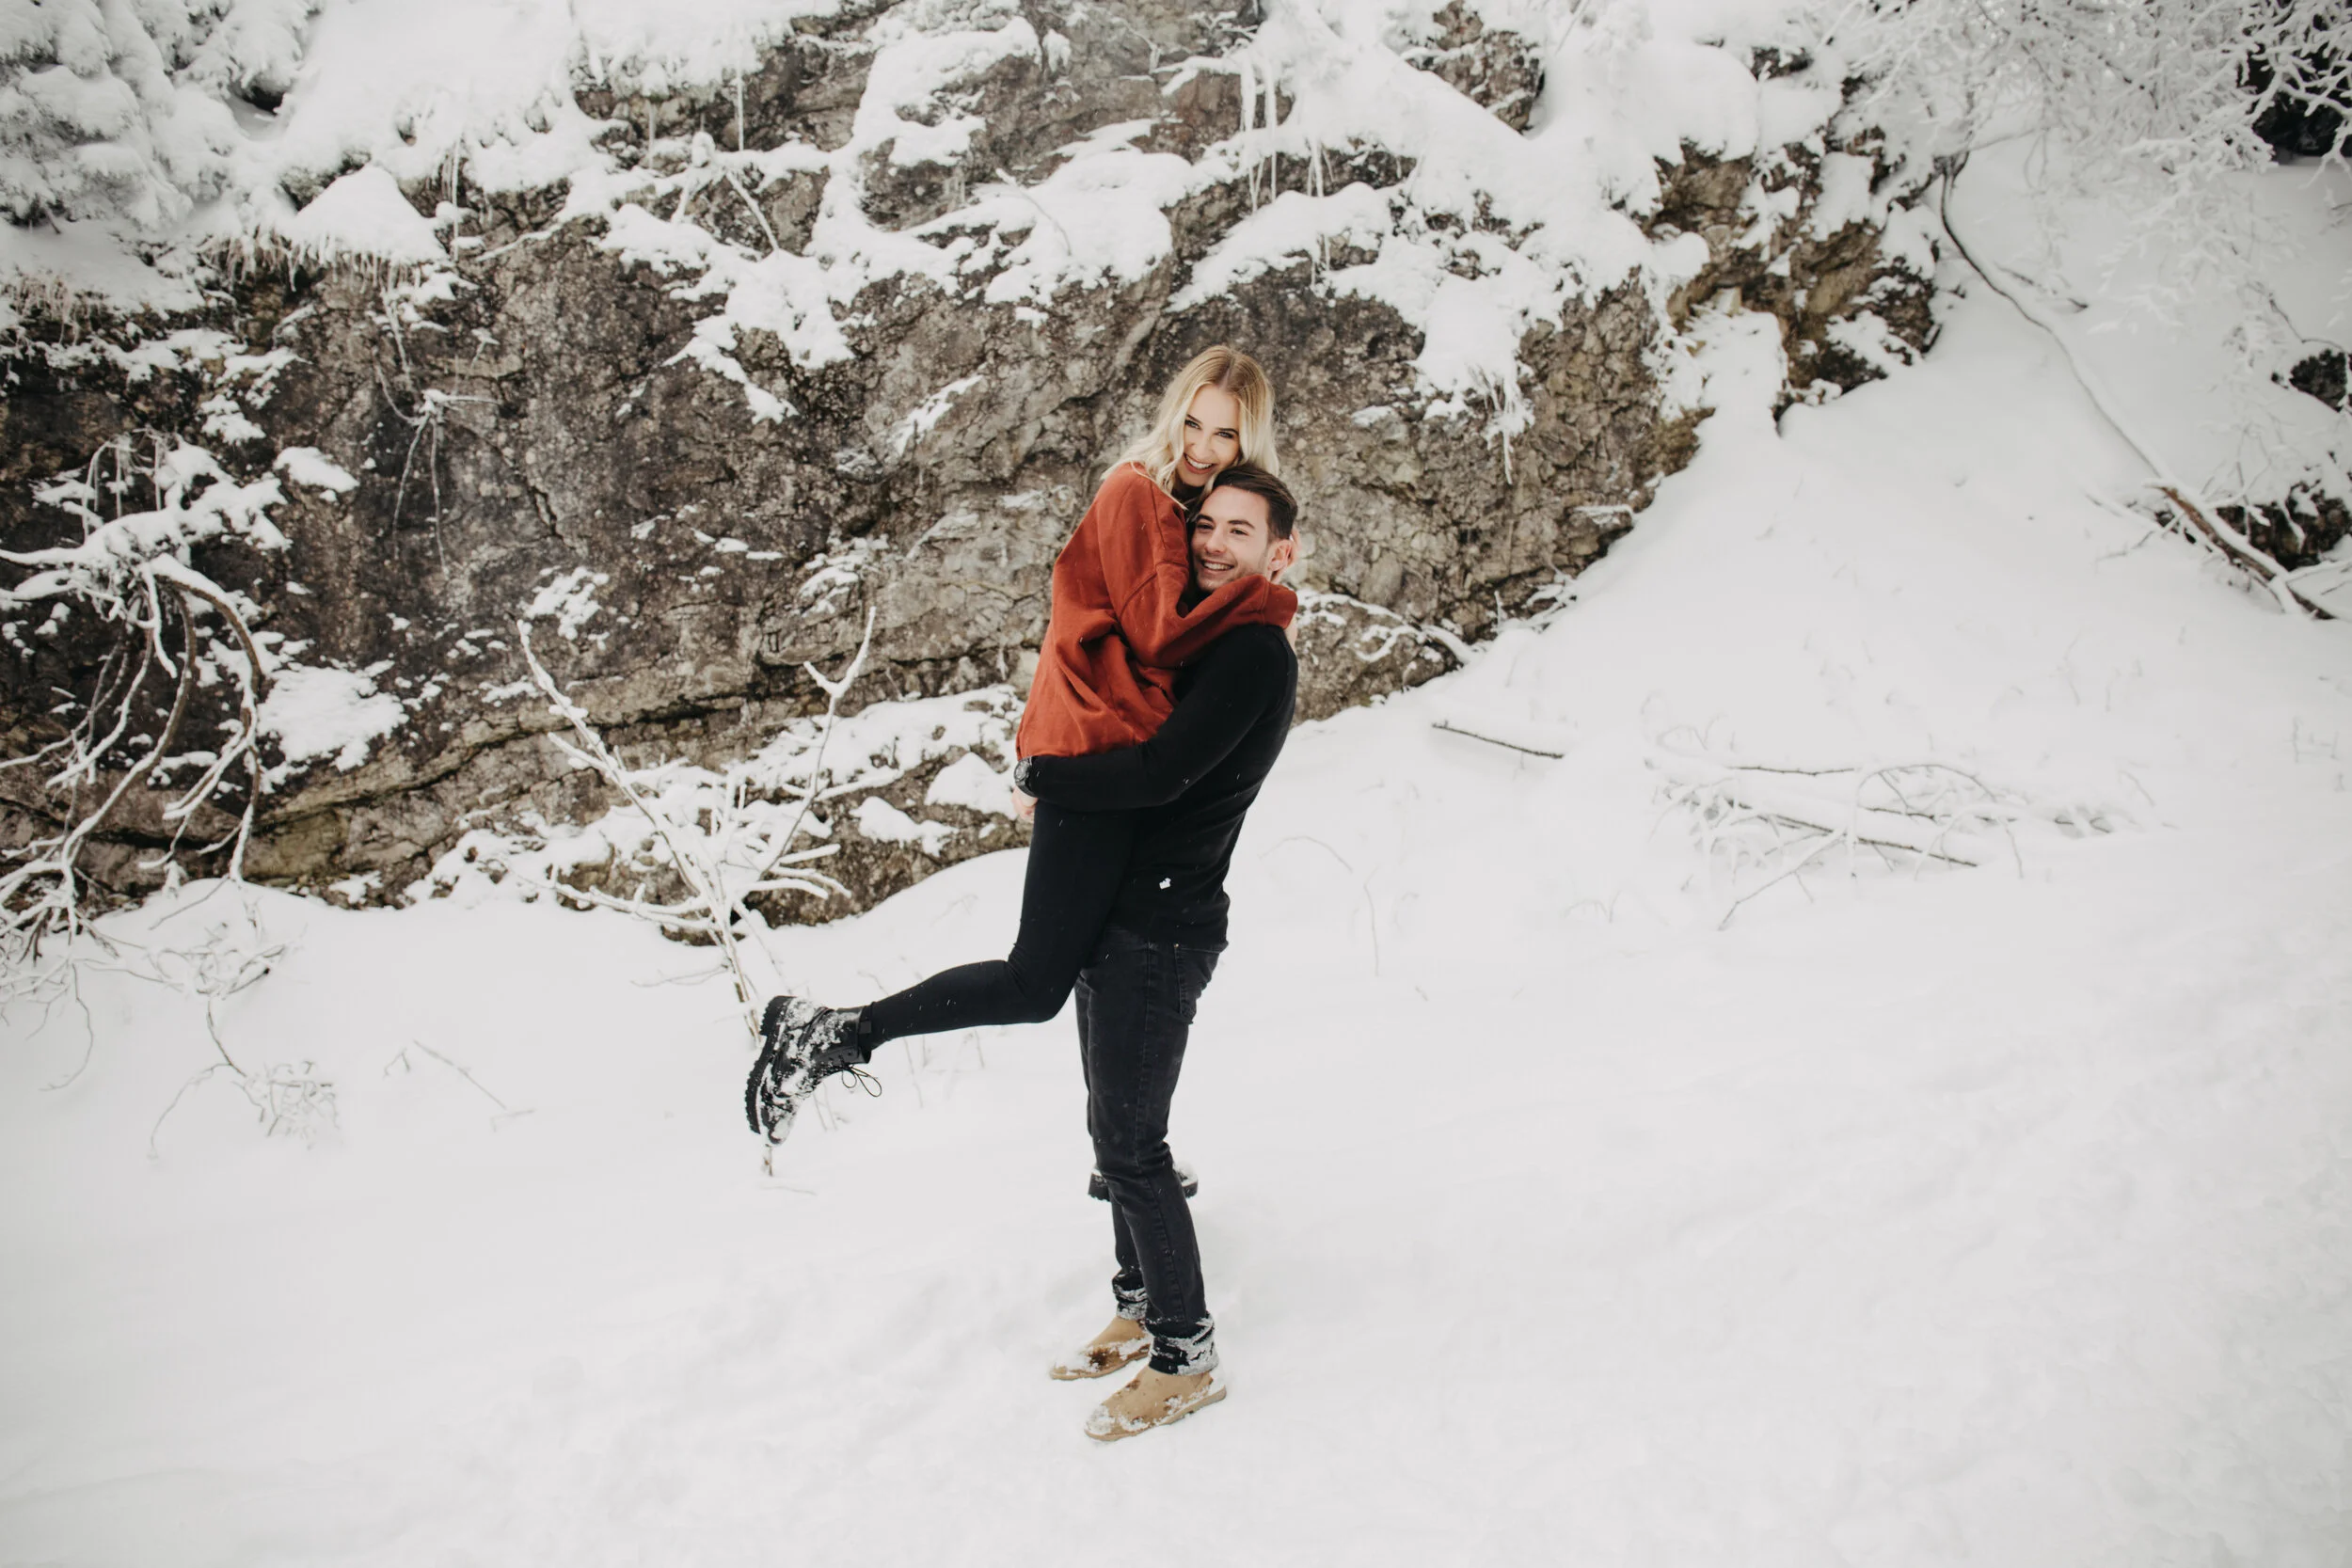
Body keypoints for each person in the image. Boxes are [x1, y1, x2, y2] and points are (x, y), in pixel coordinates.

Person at [745, 346, 1294, 1142]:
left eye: (1226, 437)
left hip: (1118, 759)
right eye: (1195, 424)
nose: (1204, 448)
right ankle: (831, 1032)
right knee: (1036, 981)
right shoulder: (1139, 492)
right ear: (1174, 414)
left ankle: (1130, 1162)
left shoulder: (1190, 510)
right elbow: (1160, 633)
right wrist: (1266, 598)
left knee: (1095, 968)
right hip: (1099, 749)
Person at [1022, 464, 1301, 1441]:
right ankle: (1138, 1303)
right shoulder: (1206, 641)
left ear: (1281, 551)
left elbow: (1157, 772)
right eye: (1205, 527)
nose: (1216, 542)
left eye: (1241, 528)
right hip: (1127, 915)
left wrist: (1042, 773)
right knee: (1111, 1135)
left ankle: (1186, 1353)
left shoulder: (1254, 655)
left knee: (1134, 1148)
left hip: (1163, 930)